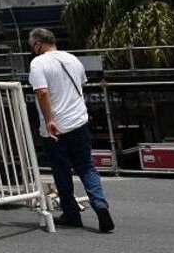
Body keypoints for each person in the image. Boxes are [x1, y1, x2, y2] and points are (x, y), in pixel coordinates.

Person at [27, 27, 114, 233]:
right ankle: (100, 206)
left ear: (38, 43)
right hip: (78, 121)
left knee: (61, 170)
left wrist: (49, 120)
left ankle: (71, 213)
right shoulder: (73, 60)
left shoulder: (38, 63)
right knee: (87, 167)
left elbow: (41, 93)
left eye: (31, 45)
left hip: (55, 126)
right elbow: (80, 85)